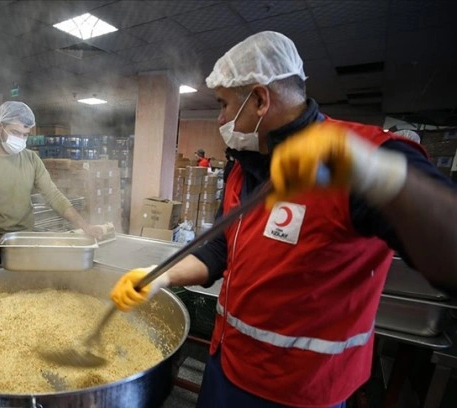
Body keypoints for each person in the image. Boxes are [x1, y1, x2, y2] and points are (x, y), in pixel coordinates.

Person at [110, 31, 456, 407]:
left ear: (259, 99)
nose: (221, 119)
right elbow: (224, 249)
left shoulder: (367, 155)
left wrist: (372, 172)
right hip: (228, 365)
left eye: (225, 105)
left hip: (298, 392)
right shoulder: (244, 167)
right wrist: (164, 276)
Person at [0, 101, 103, 268]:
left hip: (24, 241)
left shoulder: (31, 159)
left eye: (25, 134)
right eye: (15, 132)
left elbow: (53, 196)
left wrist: (85, 225)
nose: (20, 139)